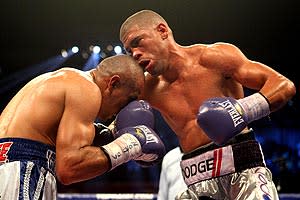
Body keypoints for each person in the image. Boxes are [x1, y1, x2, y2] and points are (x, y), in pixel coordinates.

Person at [119, 9, 296, 199]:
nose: (135, 54)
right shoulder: (147, 88)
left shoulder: (214, 57)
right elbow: (111, 118)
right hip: (196, 181)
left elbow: (283, 85)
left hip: (244, 171)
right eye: (129, 51)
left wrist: (242, 110)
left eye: (138, 42)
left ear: (162, 31)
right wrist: (129, 143)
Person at [0, 54, 166, 199]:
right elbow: (69, 168)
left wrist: (109, 135)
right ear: (113, 83)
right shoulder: (87, 88)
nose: (122, 110)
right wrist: (130, 145)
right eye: (129, 99)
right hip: (22, 173)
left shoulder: (60, 80)